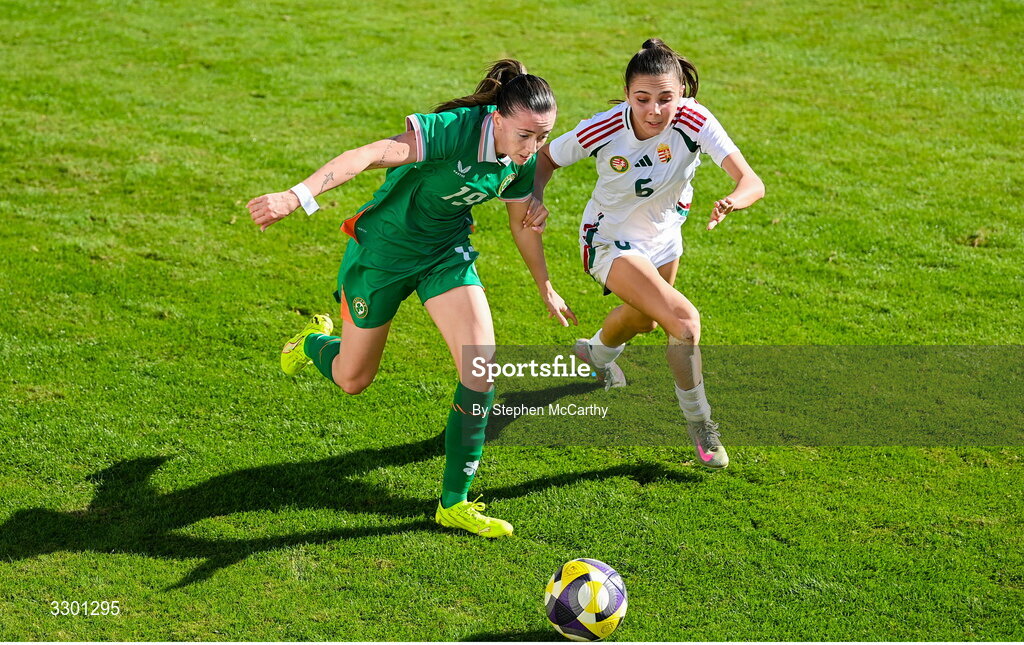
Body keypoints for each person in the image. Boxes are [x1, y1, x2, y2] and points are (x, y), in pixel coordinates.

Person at [246, 60, 576, 538]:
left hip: (444, 253)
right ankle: (313, 341)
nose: (533, 149)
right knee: (353, 378)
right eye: (525, 136)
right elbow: (369, 153)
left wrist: (544, 283)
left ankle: (453, 504)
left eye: (543, 137)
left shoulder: (518, 160)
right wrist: (297, 196)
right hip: (382, 252)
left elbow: (520, 222)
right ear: (498, 120)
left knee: (481, 365)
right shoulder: (453, 130)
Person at [530, 39, 765, 469]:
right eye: (642, 100)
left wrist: (735, 198)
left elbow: (751, 181)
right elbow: (546, 157)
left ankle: (593, 356)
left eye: (665, 99)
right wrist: (537, 196)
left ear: (682, 95)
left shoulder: (695, 119)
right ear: (626, 96)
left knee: (643, 320)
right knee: (684, 322)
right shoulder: (603, 128)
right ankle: (702, 428)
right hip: (609, 239)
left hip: (665, 236)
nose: (655, 110)